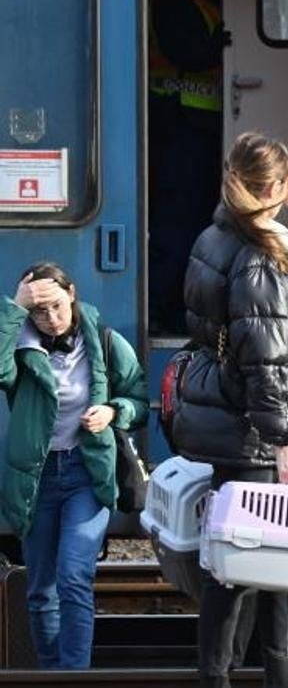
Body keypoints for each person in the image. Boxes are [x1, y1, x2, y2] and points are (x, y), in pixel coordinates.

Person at [176, 132, 288, 688]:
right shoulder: (259, 258)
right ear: (273, 187)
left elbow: (223, 337)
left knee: (242, 556)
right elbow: (265, 363)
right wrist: (285, 442)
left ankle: (258, 671)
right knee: (255, 557)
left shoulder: (212, 237)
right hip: (253, 429)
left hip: (227, 415)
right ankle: (257, 673)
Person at [0, 263, 148, 669]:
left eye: (57, 307)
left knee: (73, 577)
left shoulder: (103, 340)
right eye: (39, 311)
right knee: (40, 590)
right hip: (37, 476)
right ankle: (53, 675)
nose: (50, 319)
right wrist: (15, 307)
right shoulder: (18, 348)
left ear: (73, 294)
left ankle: (75, 677)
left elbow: (139, 398)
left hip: (87, 473)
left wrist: (112, 411)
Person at [148, 0, 224, 334]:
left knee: (195, 224)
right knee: (175, 225)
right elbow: (186, 52)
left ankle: (182, 308)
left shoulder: (202, 2)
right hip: (178, 123)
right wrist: (223, 44)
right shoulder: (173, 0)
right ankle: (162, 309)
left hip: (199, 126)